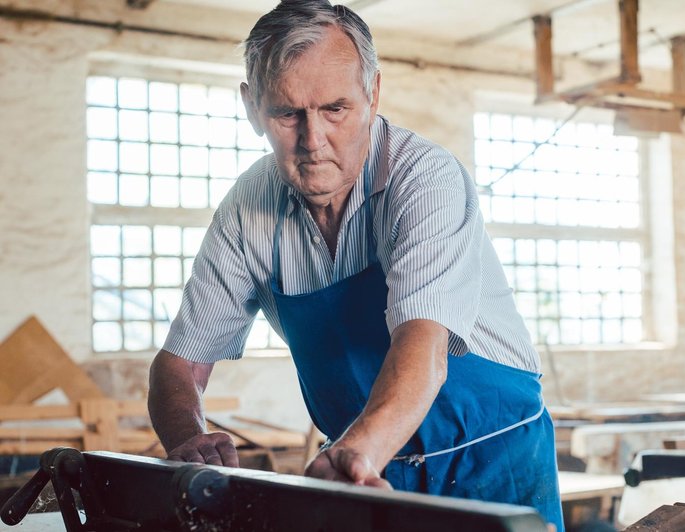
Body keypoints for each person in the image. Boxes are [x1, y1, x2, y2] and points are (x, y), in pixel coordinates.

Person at [147, 0, 563, 528]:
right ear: (252, 108)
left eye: (335, 109)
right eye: (287, 113)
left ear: (372, 95)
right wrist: (188, 439)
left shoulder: (423, 178)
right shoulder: (248, 207)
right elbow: (178, 363)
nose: (313, 141)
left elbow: (424, 348)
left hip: (490, 459)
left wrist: (360, 449)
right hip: (357, 467)